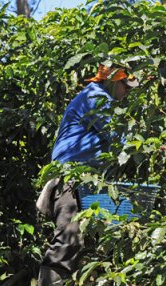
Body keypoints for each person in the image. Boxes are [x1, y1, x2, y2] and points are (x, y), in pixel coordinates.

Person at [37, 64, 139, 285]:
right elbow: (119, 138)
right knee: (68, 239)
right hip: (72, 178)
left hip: (90, 182)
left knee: (100, 242)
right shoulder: (95, 97)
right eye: (126, 86)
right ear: (113, 81)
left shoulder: (103, 100)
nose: (127, 93)